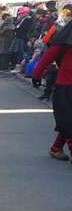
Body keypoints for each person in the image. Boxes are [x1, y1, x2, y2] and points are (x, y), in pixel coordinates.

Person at [35, 12, 72, 161]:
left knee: (67, 121)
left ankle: (56, 148)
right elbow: (48, 56)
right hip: (66, 86)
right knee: (68, 121)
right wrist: (37, 74)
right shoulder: (65, 41)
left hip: (66, 85)